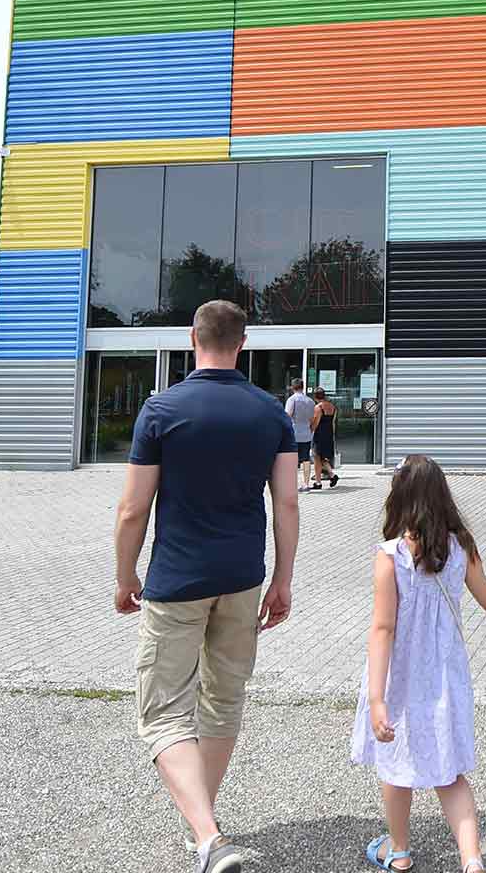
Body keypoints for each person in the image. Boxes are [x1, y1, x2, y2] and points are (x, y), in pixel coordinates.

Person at [113, 300, 300, 873]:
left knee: (163, 712)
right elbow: (287, 501)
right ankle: (207, 829)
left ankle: (208, 835)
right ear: (244, 343)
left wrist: (125, 577)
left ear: (193, 337)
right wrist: (283, 580)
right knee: (223, 701)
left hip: (176, 580)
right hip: (243, 578)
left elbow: (132, 509)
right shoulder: (271, 413)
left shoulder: (160, 409)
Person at [352, 455, 486, 872]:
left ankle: (398, 851)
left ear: (398, 498)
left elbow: (382, 629)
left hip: (400, 679)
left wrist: (376, 698)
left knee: (397, 767)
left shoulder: (390, 556)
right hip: (444, 677)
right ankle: (471, 860)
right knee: (449, 773)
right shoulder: (461, 547)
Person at [283, 378, 315, 493]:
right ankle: (306, 484)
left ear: (292, 387)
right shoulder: (310, 401)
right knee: (305, 459)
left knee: (291, 459)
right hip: (306, 433)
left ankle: (291, 485)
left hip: (294, 433)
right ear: (303, 386)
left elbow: (287, 416)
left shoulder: (292, 400)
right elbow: (312, 419)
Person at [311, 387, 340, 489]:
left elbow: (315, 423)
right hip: (329, 434)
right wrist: (333, 435)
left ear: (315, 397)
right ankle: (332, 475)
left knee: (316, 457)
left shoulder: (318, 408)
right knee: (322, 458)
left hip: (320, 436)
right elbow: (333, 423)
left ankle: (318, 483)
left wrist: (310, 430)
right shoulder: (332, 406)